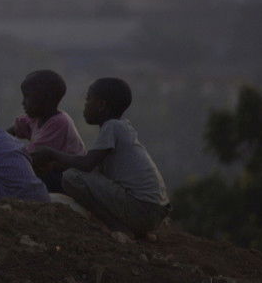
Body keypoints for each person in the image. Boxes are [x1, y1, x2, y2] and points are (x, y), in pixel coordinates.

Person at [32, 78, 170, 238]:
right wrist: (54, 166)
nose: (85, 104)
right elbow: (94, 169)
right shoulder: (122, 128)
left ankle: (115, 226)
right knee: (74, 174)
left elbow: (86, 165)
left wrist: (51, 153)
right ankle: (130, 228)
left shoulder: (112, 127)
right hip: (154, 212)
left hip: (141, 209)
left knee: (72, 178)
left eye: (88, 99)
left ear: (101, 105)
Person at [7, 69, 87, 192]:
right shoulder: (35, 118)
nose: (23, 103)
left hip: (67, 177)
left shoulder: (58, 122)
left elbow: (32, 157)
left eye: (27, 97)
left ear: (45, 99)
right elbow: (14, 129)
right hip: (51, 170)